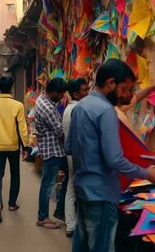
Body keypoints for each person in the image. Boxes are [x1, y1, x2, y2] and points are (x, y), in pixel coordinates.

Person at [66, 59, 155, 251]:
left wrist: (153, 87)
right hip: (102, 194)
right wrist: (148, 174)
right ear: (111, 83)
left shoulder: (81, 106)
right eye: (125, 89)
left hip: (83, 189)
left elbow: (69, 147)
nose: (126, 95)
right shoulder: (106, 111)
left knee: (82, 243)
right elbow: (114, 159)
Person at [0, 76, 28, 223]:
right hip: (13, 145)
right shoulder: (18, 105)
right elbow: (22, 129)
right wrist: (26, 146)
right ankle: (12, 203)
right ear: (11, 88)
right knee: (15, 173)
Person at [35, 77, 69, 230]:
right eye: (61, 94)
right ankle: (43, 217)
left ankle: (60, 209)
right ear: (54, 92)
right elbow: (60, 131)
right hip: (53, 150)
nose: (62, 97)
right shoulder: (48, 107)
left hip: (53, 149)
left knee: (70, 174)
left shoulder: (43, 100)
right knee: (47, 184)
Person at [63, 78, 90, 238]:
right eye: (84, 90)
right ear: (75, 94)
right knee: (78, 189)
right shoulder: (79, 108)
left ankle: (71, 224)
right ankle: (77, 225)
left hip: (71, 154)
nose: (87, 92)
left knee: (71, 188)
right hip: (79, 154)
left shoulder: (68, 109)